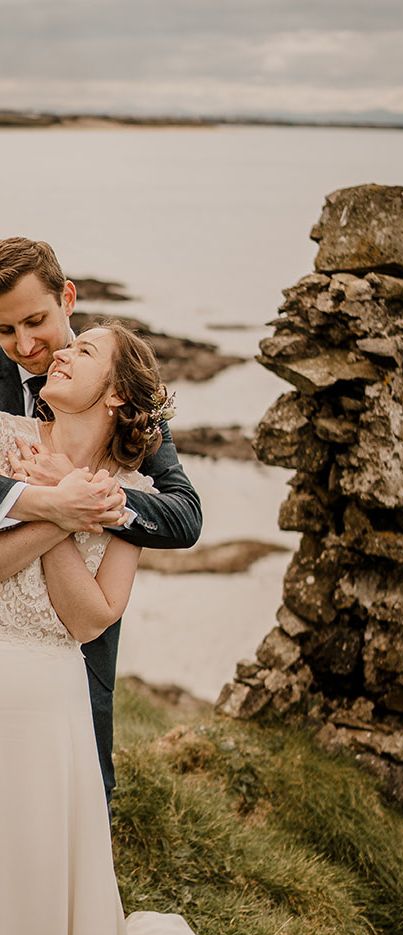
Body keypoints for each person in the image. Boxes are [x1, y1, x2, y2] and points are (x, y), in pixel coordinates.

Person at [0, 319, 230, 935]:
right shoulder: (2, 437)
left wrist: (68, 502)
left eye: (80, 349)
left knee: (30, 886)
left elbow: (93, 617)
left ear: (121, 396)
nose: (52, 351)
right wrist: (54, 501)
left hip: (49, 707)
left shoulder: (132, 493)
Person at [0, 237, 202, 804]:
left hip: (72, 664)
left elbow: (184, 515)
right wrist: (51, 502)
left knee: (76, 812)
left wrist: (92, 495)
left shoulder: (122, 394)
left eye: (36, 321)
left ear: (67, 299)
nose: (25, 345)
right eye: (5, 331)